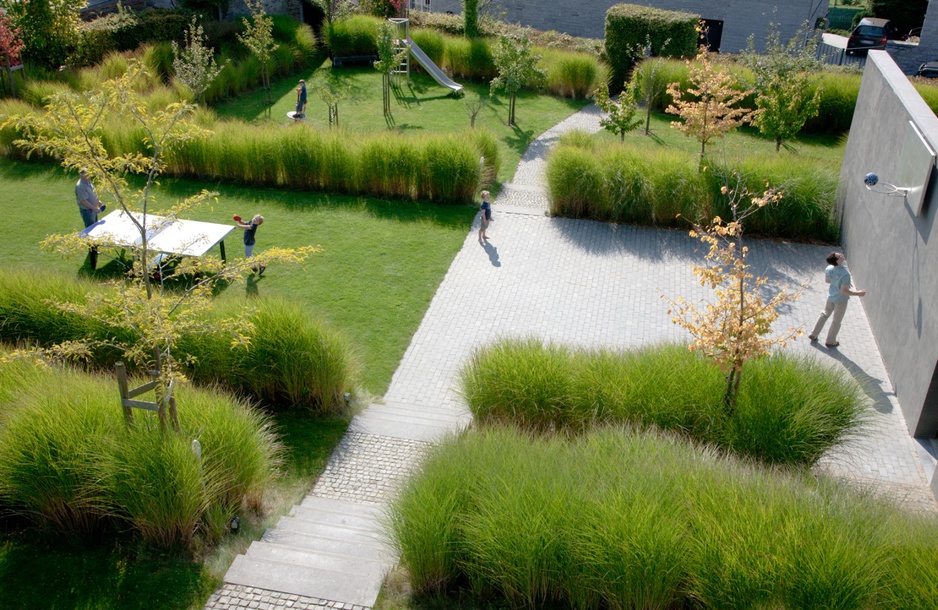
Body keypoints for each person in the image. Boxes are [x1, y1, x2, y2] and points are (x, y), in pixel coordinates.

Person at [809, 251, 867, 348]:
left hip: (831, 297)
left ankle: (814, 334)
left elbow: (827, 281)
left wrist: (836, 282)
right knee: (836, 321)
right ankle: (830, 341)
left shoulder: (828, 268)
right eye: (839, 255)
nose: (841, 254)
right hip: (840, 300)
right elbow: (844, 291)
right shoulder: (845, 275)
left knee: (824, 314)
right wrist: (859, 293)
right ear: (837, 261)